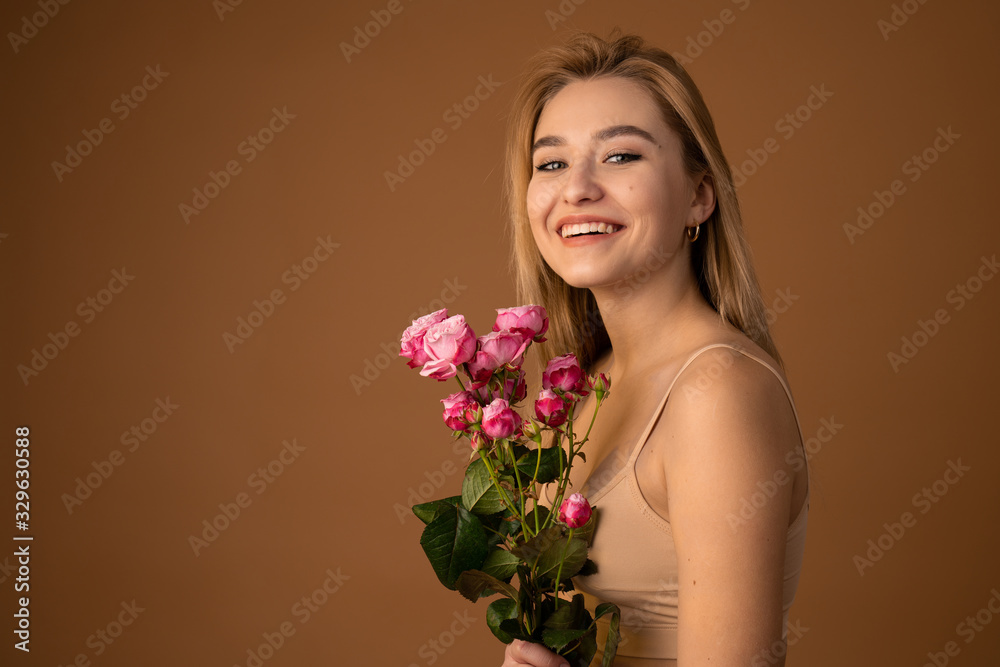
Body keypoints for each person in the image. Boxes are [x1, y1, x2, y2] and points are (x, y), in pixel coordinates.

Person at [499, 29, 810, 666]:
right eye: (551, 163)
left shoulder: (716, 392)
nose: (576, 189)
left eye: (620, 157)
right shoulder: (587, 383)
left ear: (699, 195)